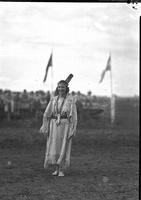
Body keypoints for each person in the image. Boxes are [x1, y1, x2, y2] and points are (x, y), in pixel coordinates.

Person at [40, 80, 77, 177]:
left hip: (65, 126)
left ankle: (61, 169)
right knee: (54, 146)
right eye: (59, 87)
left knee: (63, 146)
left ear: (66, 88)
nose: (61, 89)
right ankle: (56, 169)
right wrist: (45, 125)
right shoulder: (54, 99)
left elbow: (74, 116)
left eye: (63, 87)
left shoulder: (70, 100)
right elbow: (46, 113)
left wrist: (72, 128)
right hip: (54, 125)